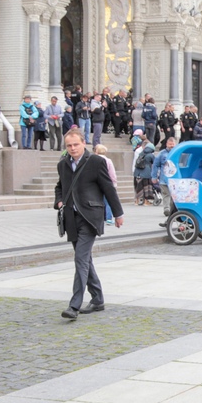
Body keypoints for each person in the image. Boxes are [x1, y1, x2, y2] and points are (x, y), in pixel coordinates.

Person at [54, 128, 124, 320]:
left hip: (90, 217)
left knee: (80, 258)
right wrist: (59, 201)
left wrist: (118, 213)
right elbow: (59, 186)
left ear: (84, 143)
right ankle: (98, 299)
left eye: (76, 144)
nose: (72, 148)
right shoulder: (63, 164)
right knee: (85, 259)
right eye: (69, 145)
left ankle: (74, 305)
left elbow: (108, 188)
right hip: (71, 218)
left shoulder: (96, 162)